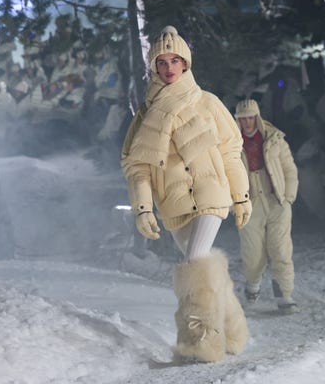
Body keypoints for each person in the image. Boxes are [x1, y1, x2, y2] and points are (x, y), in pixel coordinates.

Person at [120, 26, 251, 363]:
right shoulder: (145, 115)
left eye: (175, 59)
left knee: (194, 263)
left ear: (186, 63)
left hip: (211, 194)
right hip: (173, 204)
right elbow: (137, 167)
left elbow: (230, 150)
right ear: (154, 67)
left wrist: (241, 196)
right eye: (161, 62)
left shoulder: (207, 102)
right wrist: (143, 209)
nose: (169, 68)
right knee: (206, 269)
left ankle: (200, 342)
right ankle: (234, 331)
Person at [234, 99, 299, 313]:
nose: (247, 122)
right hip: (249, 202)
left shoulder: (274, 139)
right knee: (253, 252)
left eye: (251, 117)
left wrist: (288, 197)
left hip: (276, 199)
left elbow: (289, 169)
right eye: (243, 118)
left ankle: (284, 294)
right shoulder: (230, 143)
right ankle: (252, 285)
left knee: (280, 249)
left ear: (257, 117)